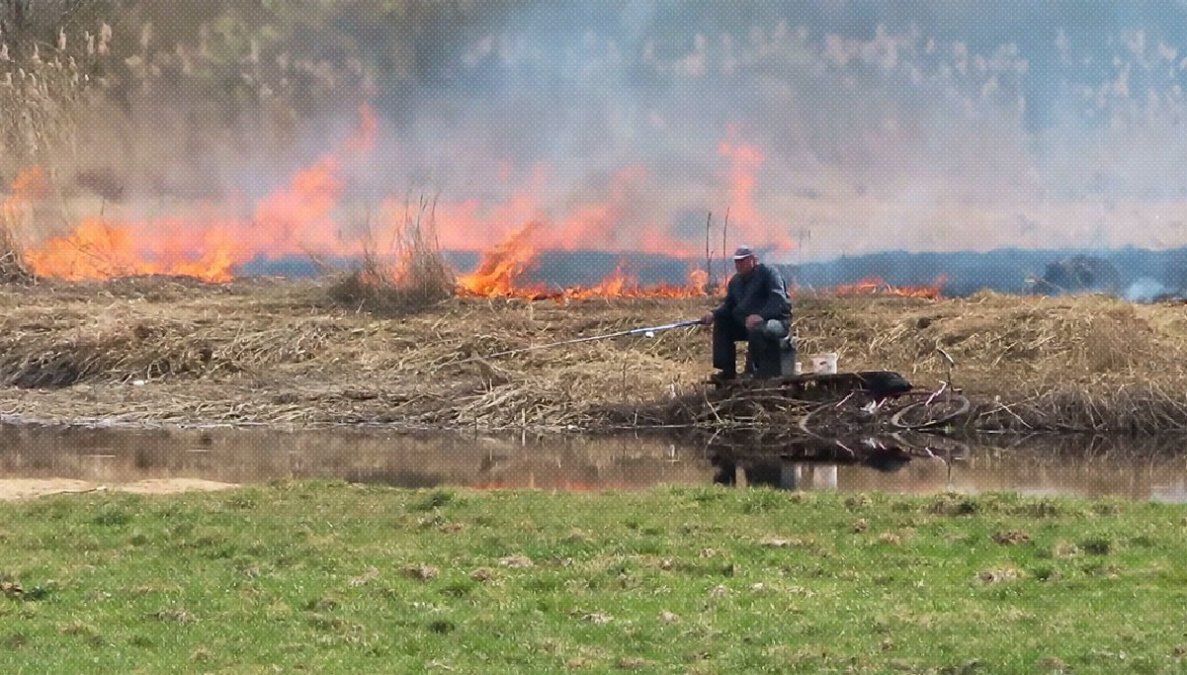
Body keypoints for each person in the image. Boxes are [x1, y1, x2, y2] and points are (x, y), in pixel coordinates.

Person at [700, 246, 792, 380]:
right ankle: (727, 371)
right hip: (748, 325)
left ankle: (751, 371)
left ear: (753, 260)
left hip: (776, 323)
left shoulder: (769, 273)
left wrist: (761, 316)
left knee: (757, 328)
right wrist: (714, 314)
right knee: (722, 323)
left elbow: (778, 300)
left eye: (742, 261)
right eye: (736, 261)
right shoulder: (735, 282)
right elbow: (729, 306)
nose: (739, 265)